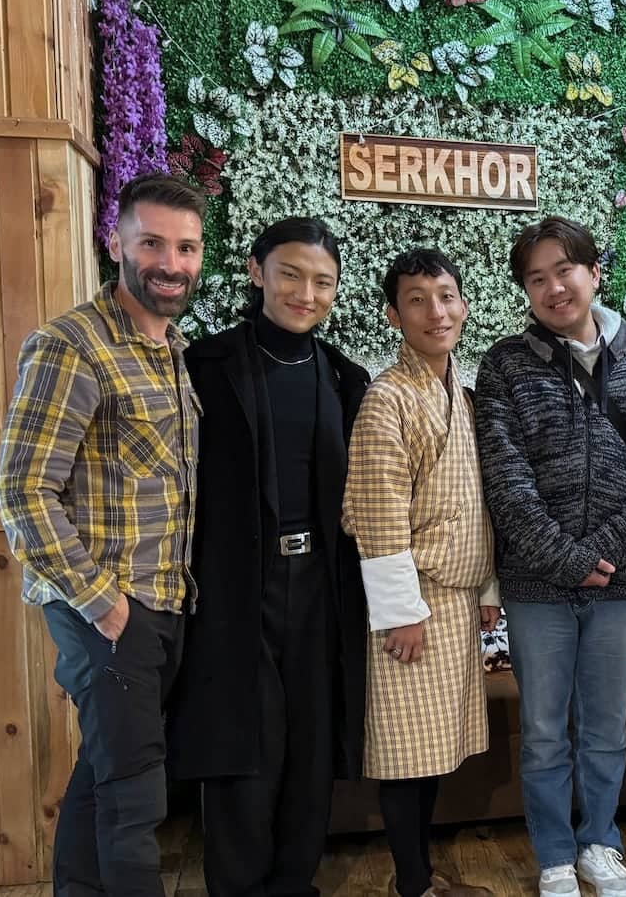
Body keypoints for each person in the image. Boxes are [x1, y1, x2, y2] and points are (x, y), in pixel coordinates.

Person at [0, 172, 205, 897]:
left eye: (185, 247)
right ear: (116, 242)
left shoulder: (172, 350)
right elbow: (22, 490)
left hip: (162, 604)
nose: (170, 263)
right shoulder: (70, 346)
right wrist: (100, 601)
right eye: (152, 243)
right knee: (135, 802)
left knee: (105, 777)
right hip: (111, 612)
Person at [475, 216, 626, 897]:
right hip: (538, 584)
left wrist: (608, 554)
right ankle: (555, 855)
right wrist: (567, 559)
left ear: (595, 273)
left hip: (619, 583)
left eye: (565, 269)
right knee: (541, 733)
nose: (553, 287)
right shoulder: (506, 364)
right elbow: (506, 479)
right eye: (537, 277)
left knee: (603, 727)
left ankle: (600, 842)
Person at [165, 218, 371, 897]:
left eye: (321, 282)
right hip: (234, 586)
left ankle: (295, 883)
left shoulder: (344, 378)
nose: (304, 293)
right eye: (290, 273)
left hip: (320, 585)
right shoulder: (204, 367)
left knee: (311, 749)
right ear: (257, 272)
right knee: (245, 749)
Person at [341, 248, 502, 897]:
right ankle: (414, 885)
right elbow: (376, 515)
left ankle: (422, 877)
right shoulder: (388, 398)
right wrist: (401, 612)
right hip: (414, 605)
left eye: (445, 295)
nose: (435, 311)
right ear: (393, 315)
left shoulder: (456, 392)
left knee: (433, 752)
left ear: (462, 303)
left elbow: (475, 500)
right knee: (408, 759)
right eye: (417, 299)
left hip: (457, 600)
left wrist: (487, 588)